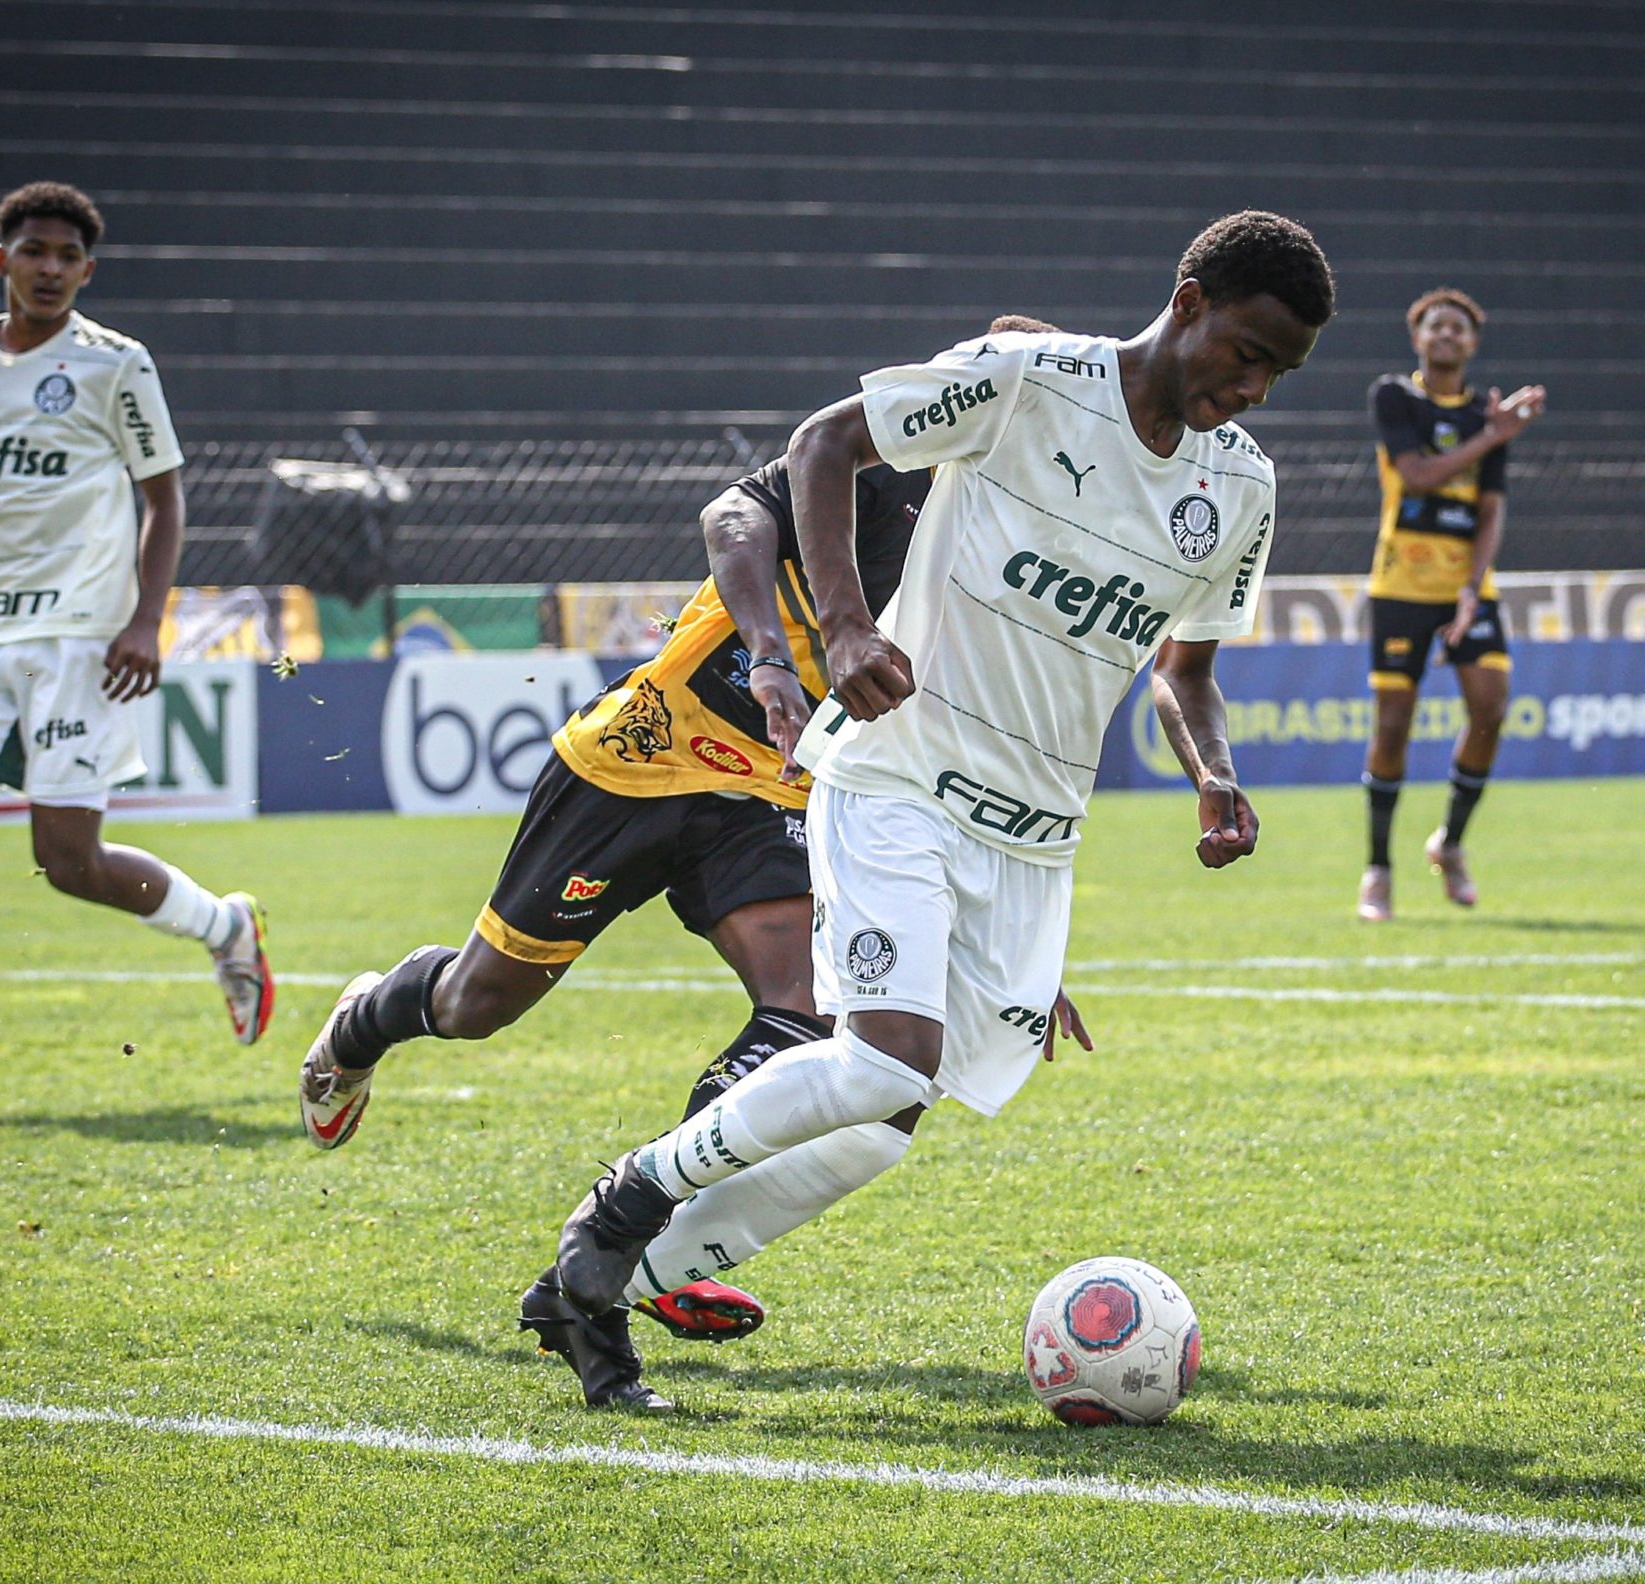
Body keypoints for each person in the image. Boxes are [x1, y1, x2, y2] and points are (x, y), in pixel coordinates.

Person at [531, 210, 1333, 1411]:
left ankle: (603, 1290)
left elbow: (1186, 670)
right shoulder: (1027, 382)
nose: (1255, 387)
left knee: (885, 1119)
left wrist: (1212, 771)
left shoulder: (1240, 488)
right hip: (897, 774)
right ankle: (625, 1201)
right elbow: (819, 446)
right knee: (879, 1058)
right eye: (1246, 351)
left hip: (1032, 839)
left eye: (1279, 372)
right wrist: (848, 625)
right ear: (1188, 301)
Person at [298, 320, 1086, 1352]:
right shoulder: (877, 458)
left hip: (779, 796)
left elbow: (964, 734)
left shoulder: (1012, 542)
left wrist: (989, 926)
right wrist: (767, 653)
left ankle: (642, 1233)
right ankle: (370, 1018)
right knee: (477, 1001)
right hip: (642, 755)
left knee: (804, 1013)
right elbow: (732, 515)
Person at [0, 182, 270, 1123]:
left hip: (80, 636)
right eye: (34, 251)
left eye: (67, 257)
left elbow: (165, 497)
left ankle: (225, 926)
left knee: (66, 861)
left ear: (86, 271)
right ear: (4, 261)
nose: (50, 269)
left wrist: (147, 621)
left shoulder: (116, 364)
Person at [1355, 288, 1544, 923]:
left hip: (1466, 586)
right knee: (1392, 726)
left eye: (1458, 328)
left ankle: (1451, 843)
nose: (1446, 334)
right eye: (1435, 325)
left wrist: (1474, 585)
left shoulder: (1489, 419)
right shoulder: (1395, 396)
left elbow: (1491, 511)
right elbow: (1418, 476)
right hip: (1401, 585)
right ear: (1417, 338)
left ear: (1472, 343)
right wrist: (1494, 434)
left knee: (1490, 707)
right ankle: (1378, 868)